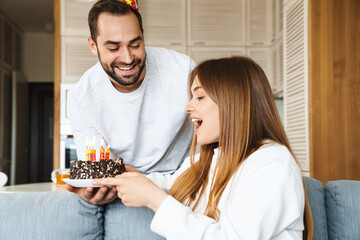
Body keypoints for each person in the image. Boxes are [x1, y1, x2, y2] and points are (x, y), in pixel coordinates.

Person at [95, 56, 314, 239]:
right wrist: (124, 178)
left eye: (199, 97)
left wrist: (154, 198)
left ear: (233, 102)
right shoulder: (208, 159)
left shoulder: (272, 165)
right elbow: (171, 184)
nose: (188, 107)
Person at [66, 0, 195, 206]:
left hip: (185, 183)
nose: (127, 58)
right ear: (93, 45)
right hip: (124, 191)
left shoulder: (183, 70)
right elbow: (96, 167)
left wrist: (158, 183)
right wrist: (96, 188)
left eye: (135, 44)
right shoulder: (82, 97)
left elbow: (213, 148)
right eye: (113, 47)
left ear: (143, 34)